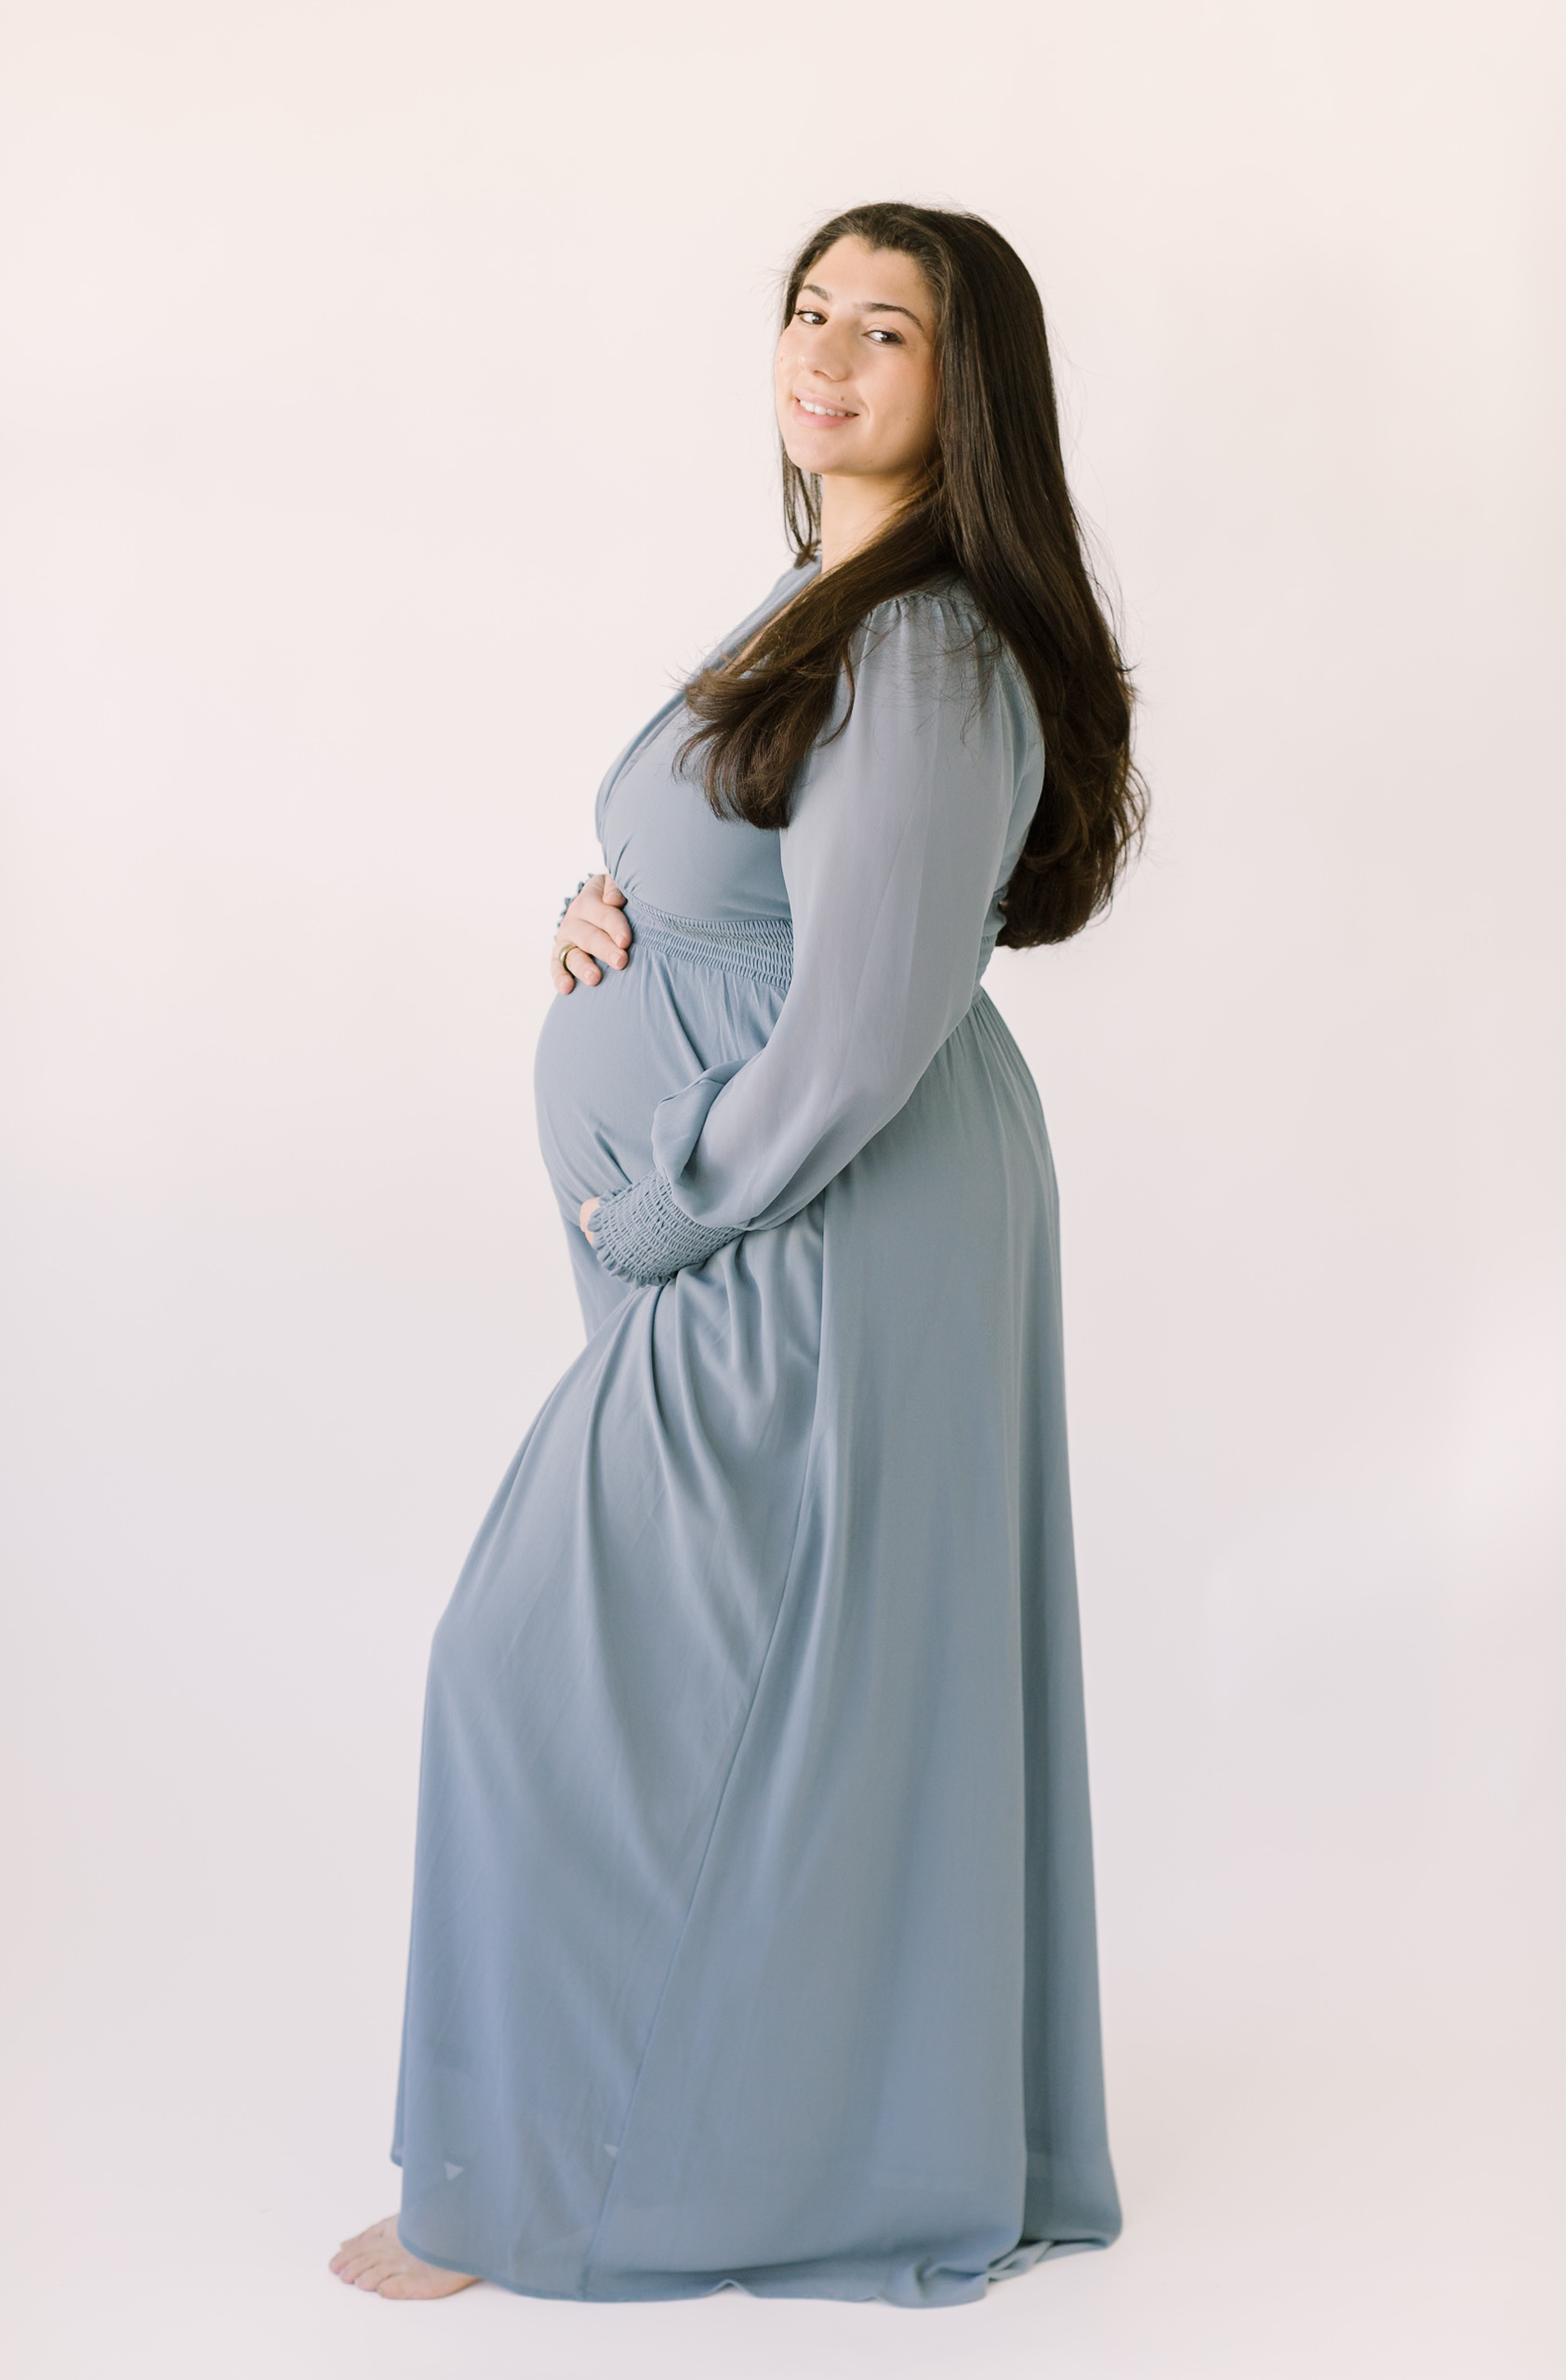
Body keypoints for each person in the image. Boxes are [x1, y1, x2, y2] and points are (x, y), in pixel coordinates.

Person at [331, 199, 1143, 2310]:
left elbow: (862, 1025)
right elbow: (752, 896)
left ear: (968, 391)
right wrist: (616, 932)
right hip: (773, 1216)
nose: (828, 354)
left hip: (815, 1224)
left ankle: (581, 2185)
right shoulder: (825, 596)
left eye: (886, 329)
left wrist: (657, 1197)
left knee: (543, 1671)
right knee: (745, 1703)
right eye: (807, 309)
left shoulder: (935, 640)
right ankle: (672, 2131)